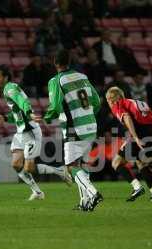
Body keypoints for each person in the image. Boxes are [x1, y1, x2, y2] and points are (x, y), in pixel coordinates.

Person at [0, 65, 72, 201]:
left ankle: (60, 171)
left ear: (6, 77)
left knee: (29, 167)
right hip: (21, 132)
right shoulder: (8, 89)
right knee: (16, 164)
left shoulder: (10, 88)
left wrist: (29, 112)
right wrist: (6, 118)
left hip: (30, 131)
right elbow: (18, 112)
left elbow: (23, 102)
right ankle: (38, 192)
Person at [39, 50, 103, 211]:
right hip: (91, 126)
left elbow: (55, 106)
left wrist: (46, 118)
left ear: (55, 62)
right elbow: (96, 101)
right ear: (70, 61)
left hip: (74, 128)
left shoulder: (56, 81)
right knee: (80, 164)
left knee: (71, 167)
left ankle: (93, 193)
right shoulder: (82, 77)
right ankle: (84, 203)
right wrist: (87, 115)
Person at [106, 86, 152, 202]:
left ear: (113, 98)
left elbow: (126, 117)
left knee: (116, 162)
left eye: (108, 100)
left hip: (141, 133)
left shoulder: (117, 104)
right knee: (141, 163)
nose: (108, 103)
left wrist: (135, 137)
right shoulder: (136, 102)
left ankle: (137, 187)